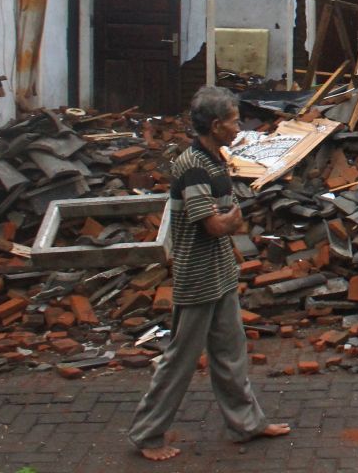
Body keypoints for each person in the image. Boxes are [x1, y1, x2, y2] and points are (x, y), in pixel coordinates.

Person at [128, 86, 290, 461]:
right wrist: (232, 220)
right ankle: (148, 434)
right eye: (234, 121)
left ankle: (246, 423)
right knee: (180, 359)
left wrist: (229, 218)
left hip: (219, 272)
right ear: (216, 125)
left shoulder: (214, 158)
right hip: (198, 275)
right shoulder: (193, 165)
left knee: (231, 354)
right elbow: (213, 225)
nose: (238, 127)